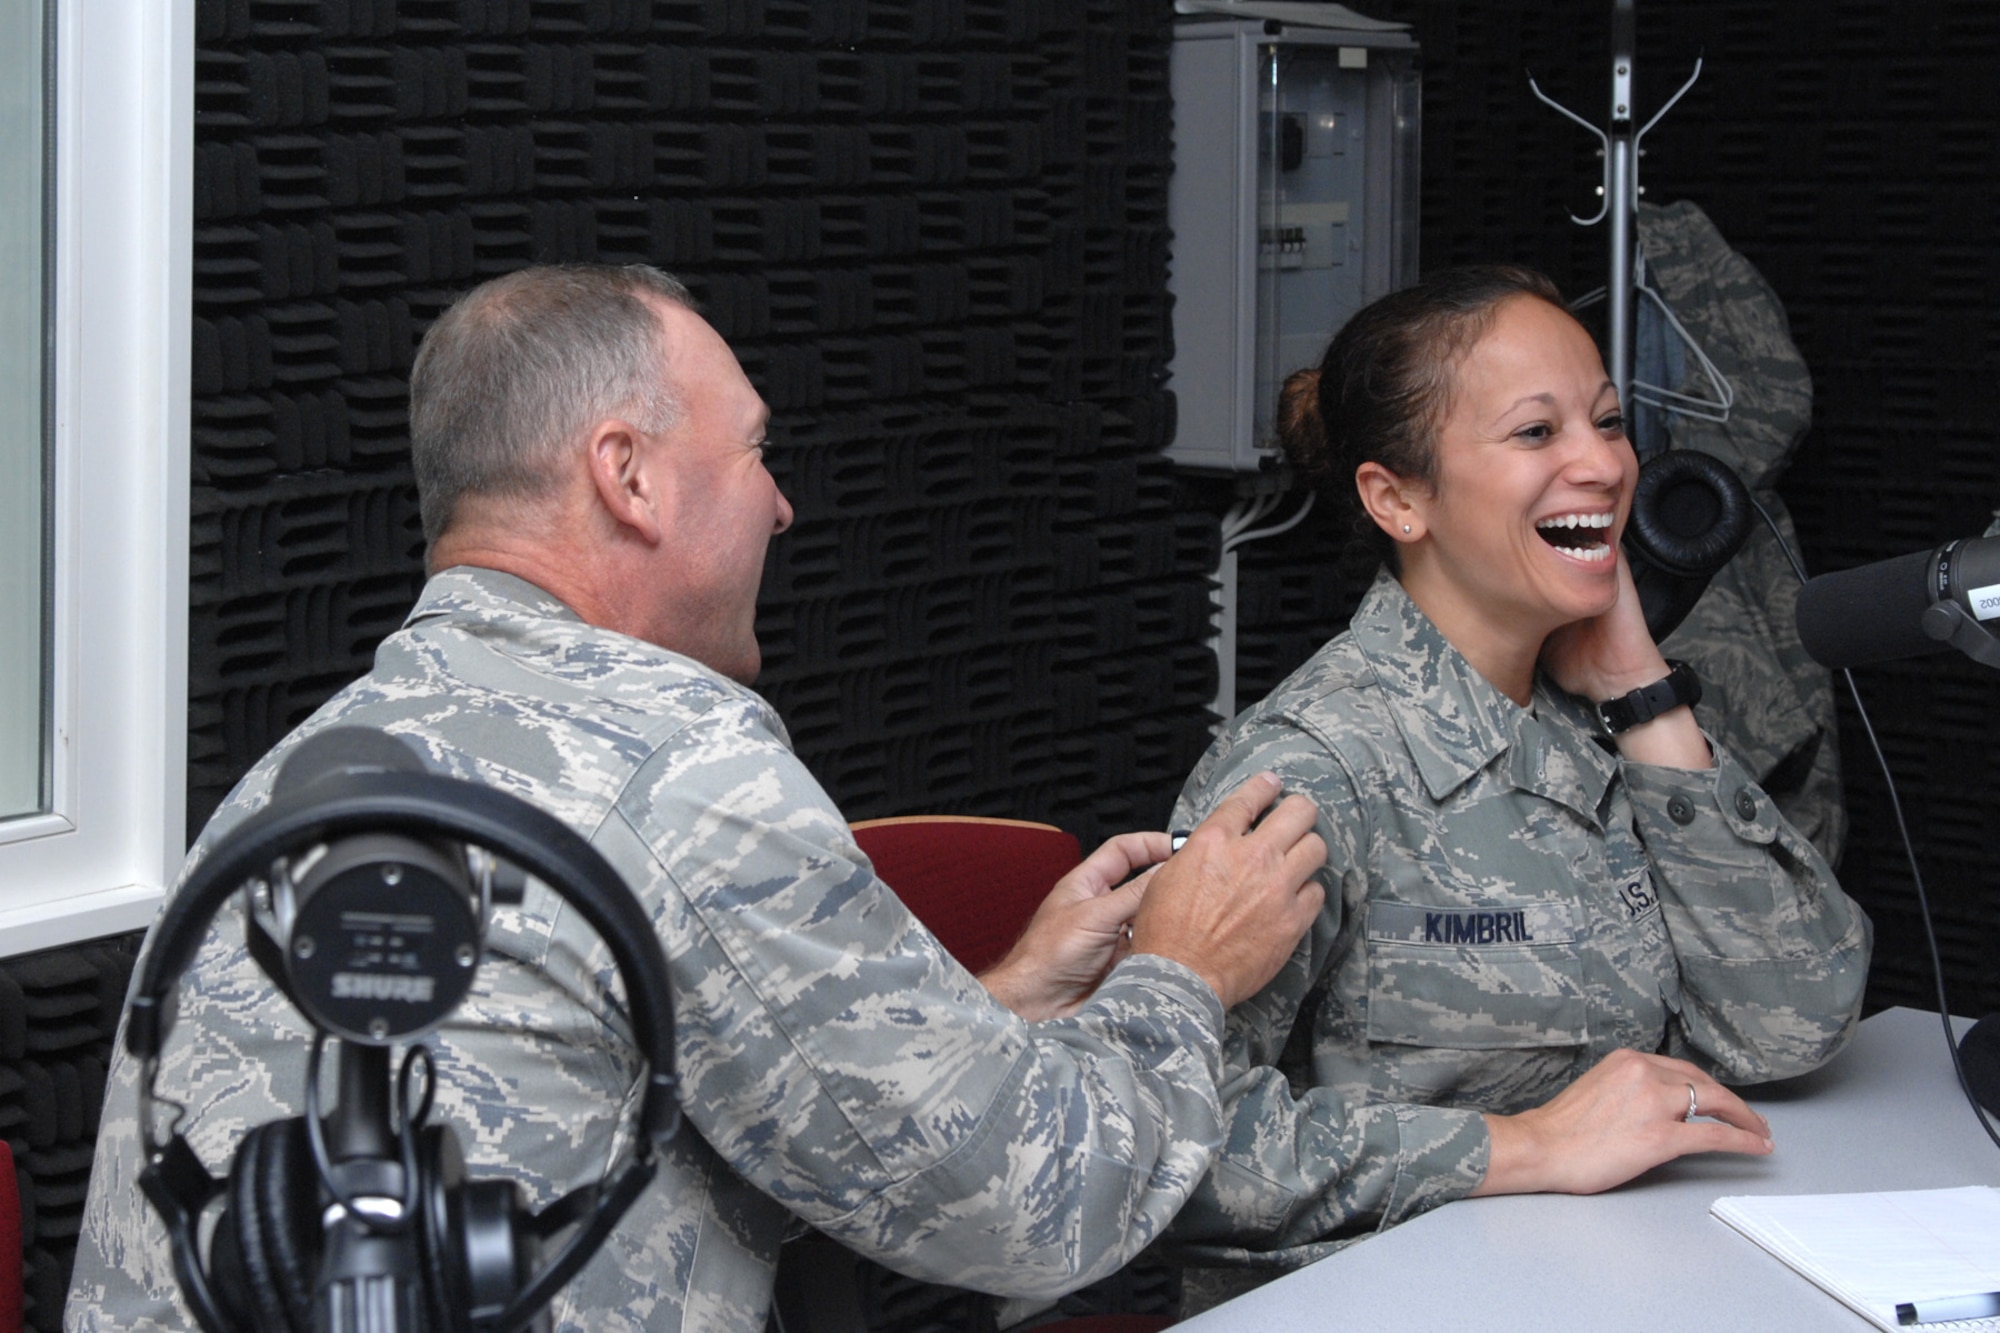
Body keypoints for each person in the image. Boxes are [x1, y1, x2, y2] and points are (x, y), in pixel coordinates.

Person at [67, 264, 1327, 1333]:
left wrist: (1004, 1000)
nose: (781, 503)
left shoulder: (298, 771)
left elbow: (595, 1108)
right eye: (756, 450)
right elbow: (1035, 1213)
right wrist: (1182, 971)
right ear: (628, 474)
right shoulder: (672, 763)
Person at [1165, 265, 1871, 1278]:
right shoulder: (1311, 767)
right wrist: (1526, 1147)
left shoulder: (1600, 718)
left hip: (1608, 1279)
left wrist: (1638, 687)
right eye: (1536, 433)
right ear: (1396, 498)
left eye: (1608, 421)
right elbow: (1165, 1143)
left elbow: (1790, 1025)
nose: (1603, 464)